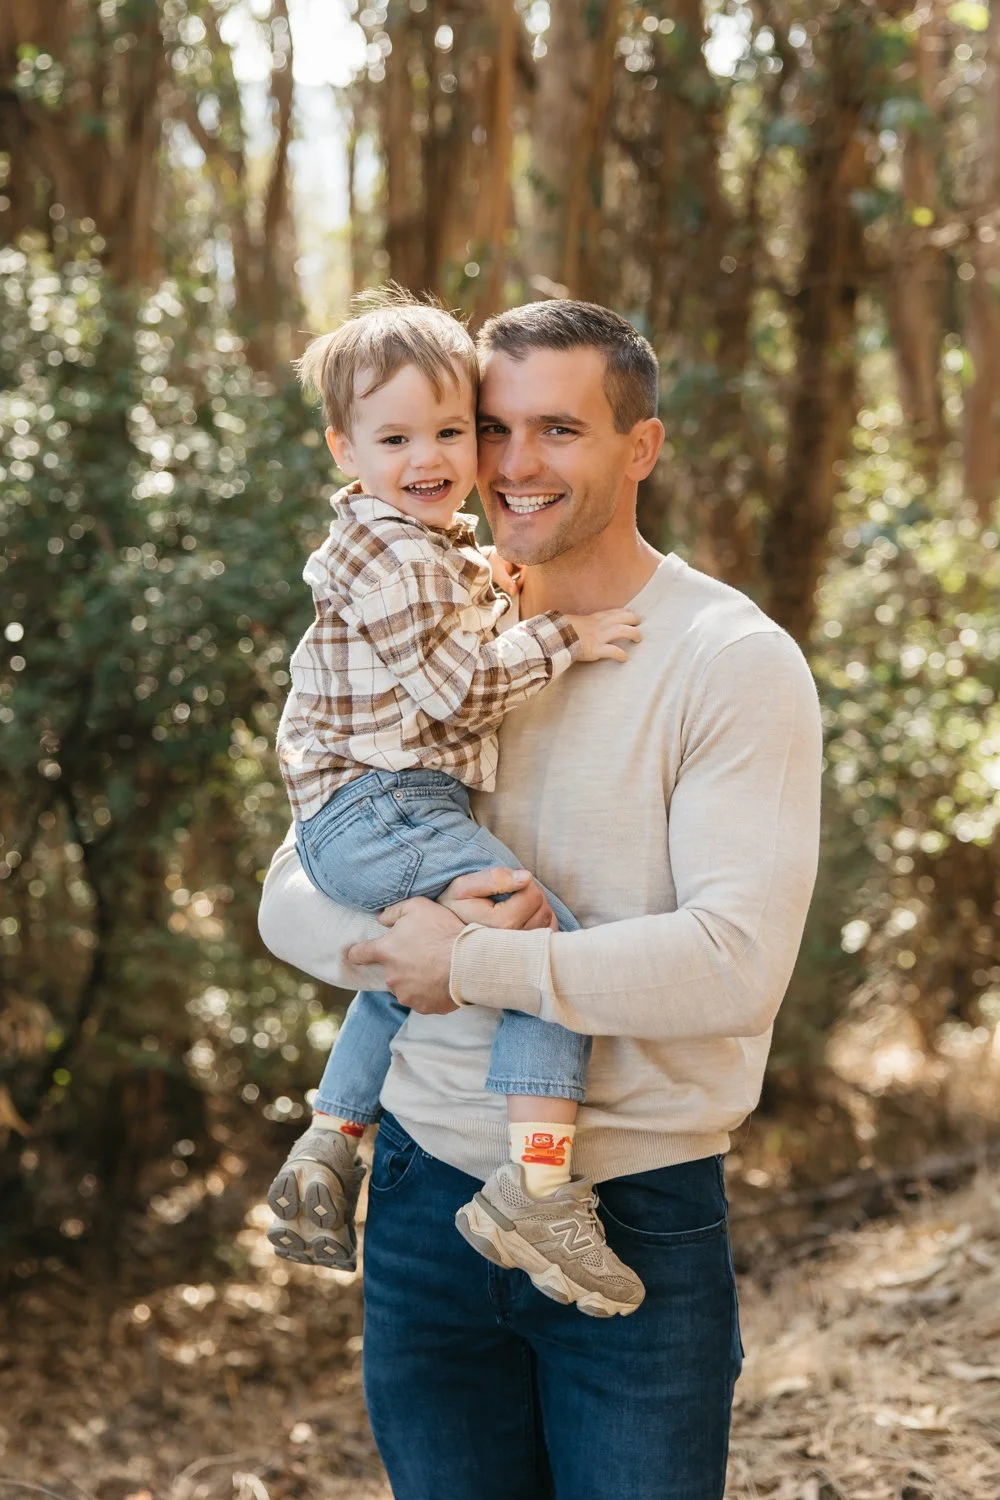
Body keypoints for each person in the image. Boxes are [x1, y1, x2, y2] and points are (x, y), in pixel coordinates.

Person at [259, 298, 823, 1500]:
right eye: (488, 427)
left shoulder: (727, 658)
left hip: (631, 1213)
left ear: (642, 446)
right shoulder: (423, 617)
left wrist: (466, 966)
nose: (509, 465)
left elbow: (734, 964)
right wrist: (409, 944)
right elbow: (291, 893)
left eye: (555, 429)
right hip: (417, 1205)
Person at [268, 288, 645, 1317]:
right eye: (397, 437)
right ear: (345, 450)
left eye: (451, 430)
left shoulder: (412, 543)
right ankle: (535, 1188)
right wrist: (570, 635)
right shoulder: (392, 553)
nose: (431, 455)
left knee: (421, 958)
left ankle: (329, 1140)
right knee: (537, 938)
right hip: (381, 806)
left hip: (371, 807)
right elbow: (455, 688)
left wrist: (495, 586)